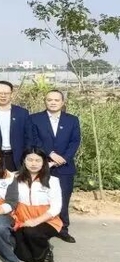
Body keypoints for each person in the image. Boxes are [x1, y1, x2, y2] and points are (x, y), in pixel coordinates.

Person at [26, 90, 80, 243]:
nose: (53, 102)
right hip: (41, 165)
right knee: (39, 196)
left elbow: (75, 141)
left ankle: (63, 229)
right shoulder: (35, 118)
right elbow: (34, 140)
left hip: (64, 166)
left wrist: (63, 159)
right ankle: (41, 225)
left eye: (56, 100)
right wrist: (49, 153)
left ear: (62, 102)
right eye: (50, 100)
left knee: (63, 197)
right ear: (45, 101)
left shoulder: (72, 120)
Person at [12, 147, 64, 262]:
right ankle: (36, 246)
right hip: (22, 220)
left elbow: (56, 207)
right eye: (30, 160)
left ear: (44, 162)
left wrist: (35, 221)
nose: (33, 164)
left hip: (47, 221)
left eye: (37, 160)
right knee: (25, 257)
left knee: (31, 232)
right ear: (24, 161)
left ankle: (46, 251)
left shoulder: (52, 181)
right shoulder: (15, 178)